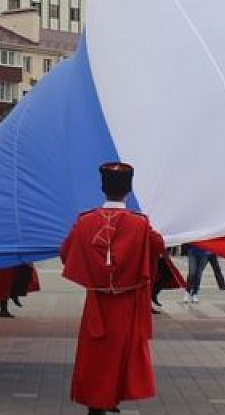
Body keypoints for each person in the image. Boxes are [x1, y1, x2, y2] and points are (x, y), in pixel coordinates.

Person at [60, 162, 164, 415]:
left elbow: (65, 252)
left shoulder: (85, 221)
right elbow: (158, 246)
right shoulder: (140, 223)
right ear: (128, 191)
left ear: (102, 188)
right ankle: (111, 397)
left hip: (96, 301)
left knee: (95, 353)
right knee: (122, 352)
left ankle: (97, 402)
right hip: (127, 302)